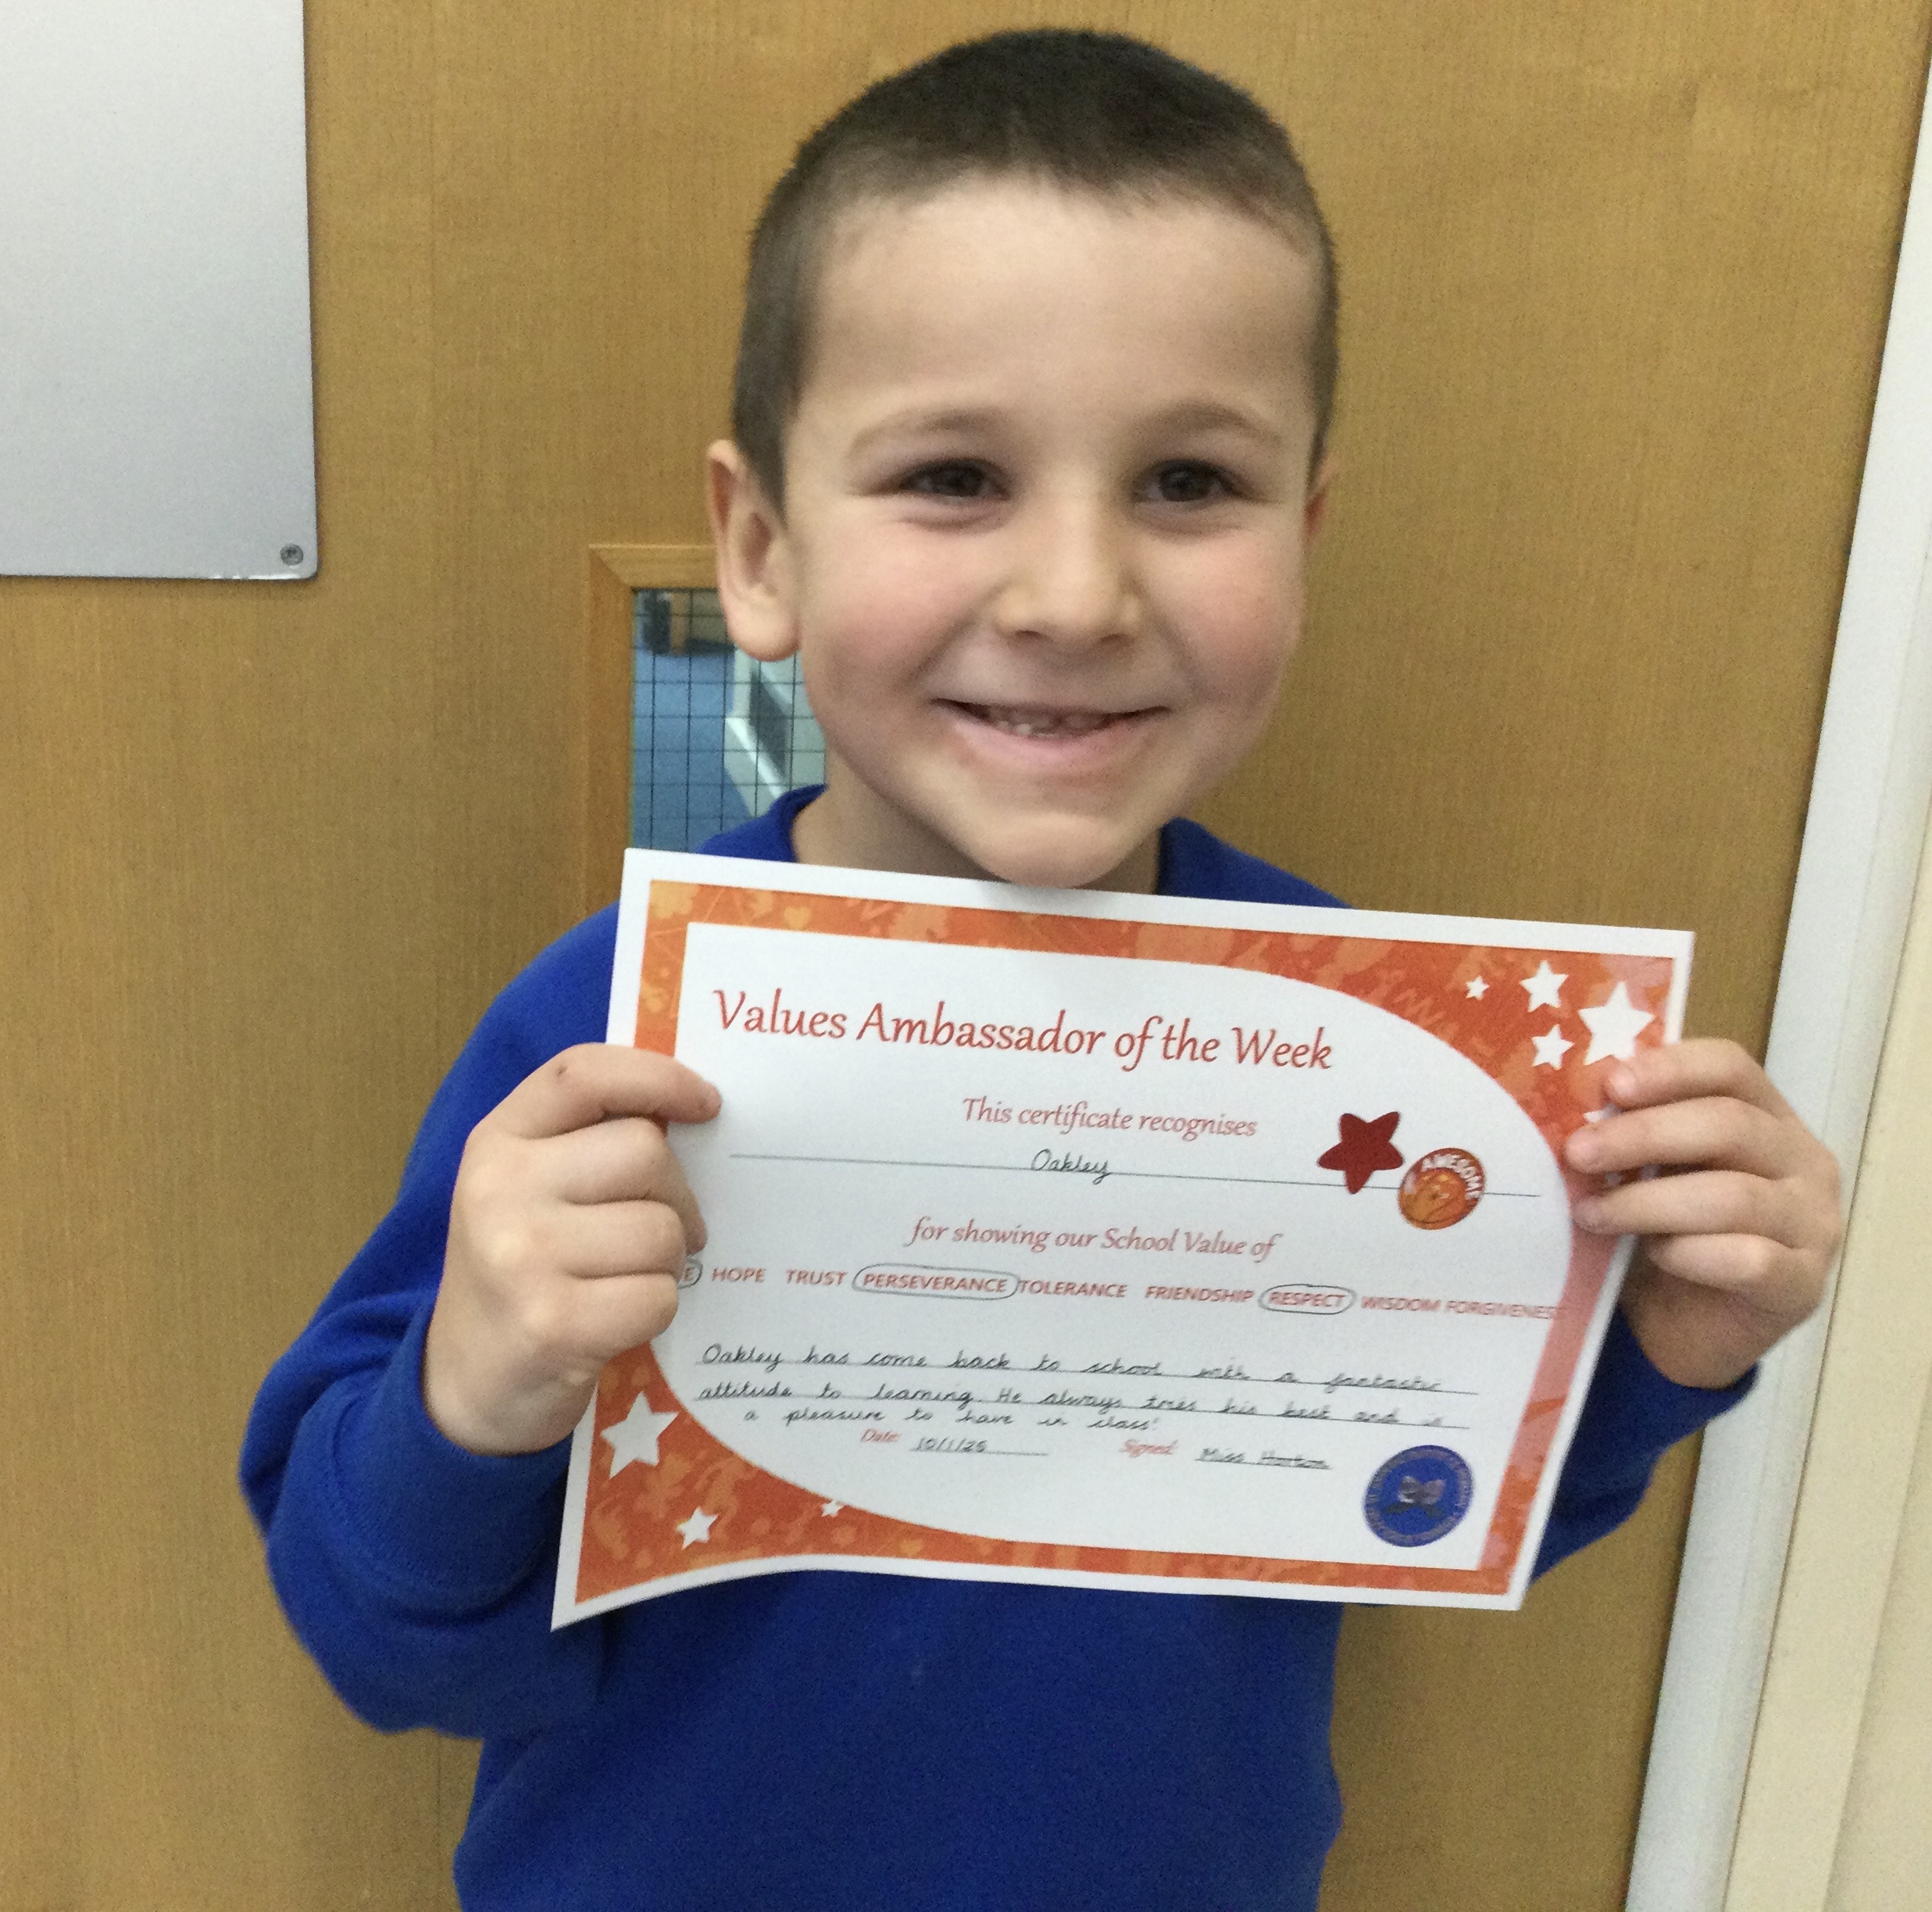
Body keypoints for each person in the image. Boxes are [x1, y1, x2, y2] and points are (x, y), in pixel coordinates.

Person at [242, 30, 1841, 1910]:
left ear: (1305, 534)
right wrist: (468, 1403)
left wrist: (1650, 1356)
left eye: (1188, 481)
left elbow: (1399, 1504)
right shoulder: (606, 1043)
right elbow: (381, 1642)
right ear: (759, 548)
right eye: (952, 476)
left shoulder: (1375, 1053)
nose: (1076, 596)